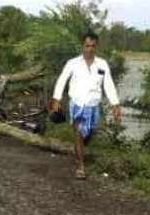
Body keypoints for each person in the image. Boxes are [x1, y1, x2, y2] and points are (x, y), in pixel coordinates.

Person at [51, 31, 121, 180]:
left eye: (92, 46)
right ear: (82, 46)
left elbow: (108, 84)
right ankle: (80, 166)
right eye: (87, 45)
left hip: (93, 106)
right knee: (78, 134)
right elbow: (62, 79)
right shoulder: (73, 63)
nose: (89, 49)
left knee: (88, 134)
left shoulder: (102, 64)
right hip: (76, 104)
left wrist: (115, 104)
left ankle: (79, 150)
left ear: (96, 47)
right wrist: (56, 99)